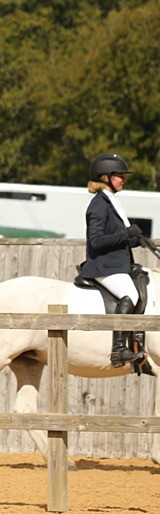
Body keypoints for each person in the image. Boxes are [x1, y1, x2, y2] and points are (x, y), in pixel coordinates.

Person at [79, 152, 146, 367]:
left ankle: (136, 342)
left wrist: (136, 240)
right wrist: (126, 234)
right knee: (130, 294)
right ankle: (118, 350)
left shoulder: (112, 202)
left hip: (118, 265)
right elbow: (96, 241)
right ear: (106, 177)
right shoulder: (99, 205)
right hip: (104, 267)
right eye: (119, 175)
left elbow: (117, 239)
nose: (123, 179)